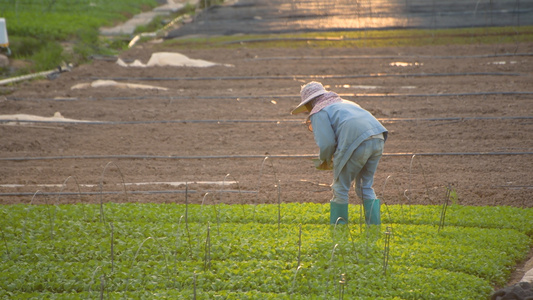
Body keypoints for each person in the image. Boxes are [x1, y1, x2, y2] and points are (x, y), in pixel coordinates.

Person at [291, 81, 388, 225]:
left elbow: (327, 143)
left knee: (340, 188)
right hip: (378, 138)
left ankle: (339, 231)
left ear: (310, 102)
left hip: (356, 142)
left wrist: (325, 160)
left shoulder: (319, 111)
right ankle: (374, 227)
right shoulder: (346, 103)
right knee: (365, 186)